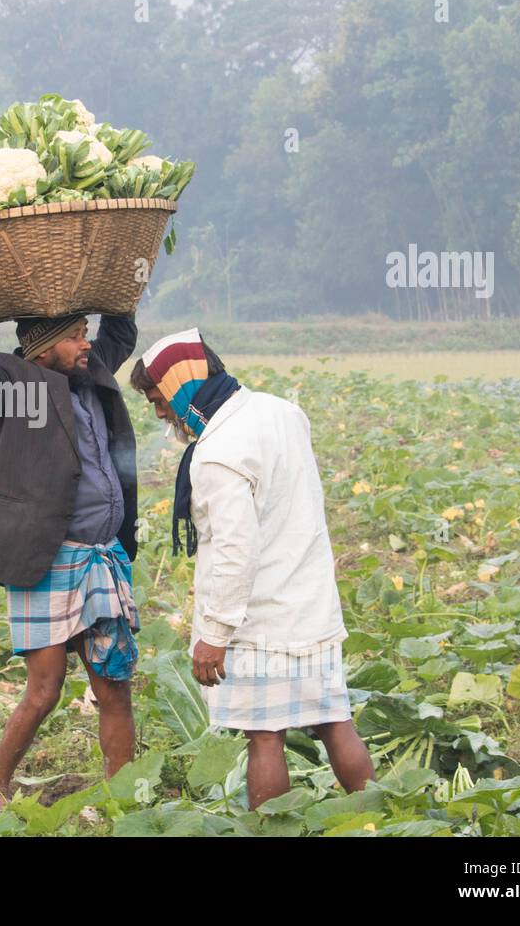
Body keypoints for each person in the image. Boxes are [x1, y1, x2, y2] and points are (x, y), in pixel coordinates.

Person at [0, 216, 141, 810]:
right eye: (75, 336)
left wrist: (114, 252)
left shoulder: (90, 374)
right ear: (44, 346)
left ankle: (122, 798)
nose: (86, 346)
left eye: (85, 335)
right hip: (45, 559)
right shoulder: (12, 385)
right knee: (45, 690)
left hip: (103, 557)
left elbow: (121, 328)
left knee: (115, 687)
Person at [129, 328, 374, 809]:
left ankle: (270, 829)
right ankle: (385, 819)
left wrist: (215, 633)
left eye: (159, 399)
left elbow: (235, 550)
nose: (159, 413)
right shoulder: (281, 411)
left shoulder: (218, 451)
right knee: (334, 722)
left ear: (183, 387)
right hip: (310, 603)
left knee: (264, 737)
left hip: (258, 618)